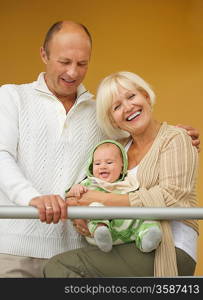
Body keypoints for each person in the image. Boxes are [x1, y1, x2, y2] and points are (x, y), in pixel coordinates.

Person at [0, 20, 199, 278]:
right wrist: (32, 198)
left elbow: (139, 141)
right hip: (15, 247)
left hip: (76, 250)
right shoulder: (11, 97)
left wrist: (174, 136)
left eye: (82, 64)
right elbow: (1, 155)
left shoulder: (101, 114)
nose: (73, 72)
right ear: (43, 54)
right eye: (64, 62)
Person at [44, 71, 199, 278]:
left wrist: (100, 199)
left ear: (145, 96)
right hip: (124, 241)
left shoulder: (175, 138)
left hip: (169, 247)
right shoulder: (117, 151)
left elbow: (170, 199)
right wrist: (81, 214)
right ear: (114, 121)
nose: (127, 107)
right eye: (116, 107)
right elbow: (88, 187)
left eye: (131, 96)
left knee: (59, 267)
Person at [68, 139, 162, 253]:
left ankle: (147, 239)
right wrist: (75, 188)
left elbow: (138, 199)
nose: (103, 166)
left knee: (147, 215)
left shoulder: (129, 183)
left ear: (122, 166)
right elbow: (70, 197)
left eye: (109, 162)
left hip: (130, 230)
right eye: (97, 163)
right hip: (101, 233)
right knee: (95, 207)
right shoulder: (89, 183)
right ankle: (101, 232)